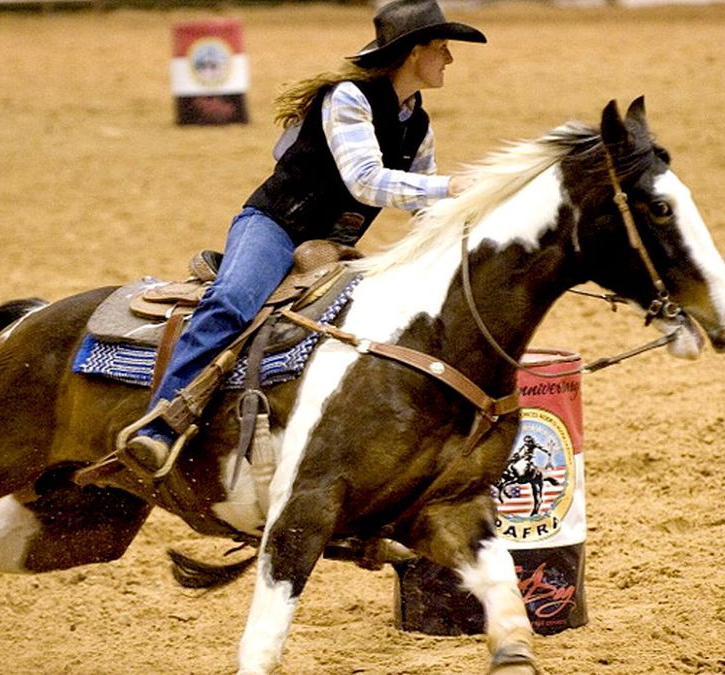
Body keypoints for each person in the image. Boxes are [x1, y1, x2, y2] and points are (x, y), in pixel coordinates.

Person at [122, 0, 487, 471]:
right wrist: (450, 186)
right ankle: (158, 423)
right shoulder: (350, 98)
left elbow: (423, 205)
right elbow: (367, 181)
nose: (449, 60)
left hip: (331, 248)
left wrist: (467, 228)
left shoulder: (417, 123)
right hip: (276, 226)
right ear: (414, 53)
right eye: (442, 48)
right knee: (232, 299)